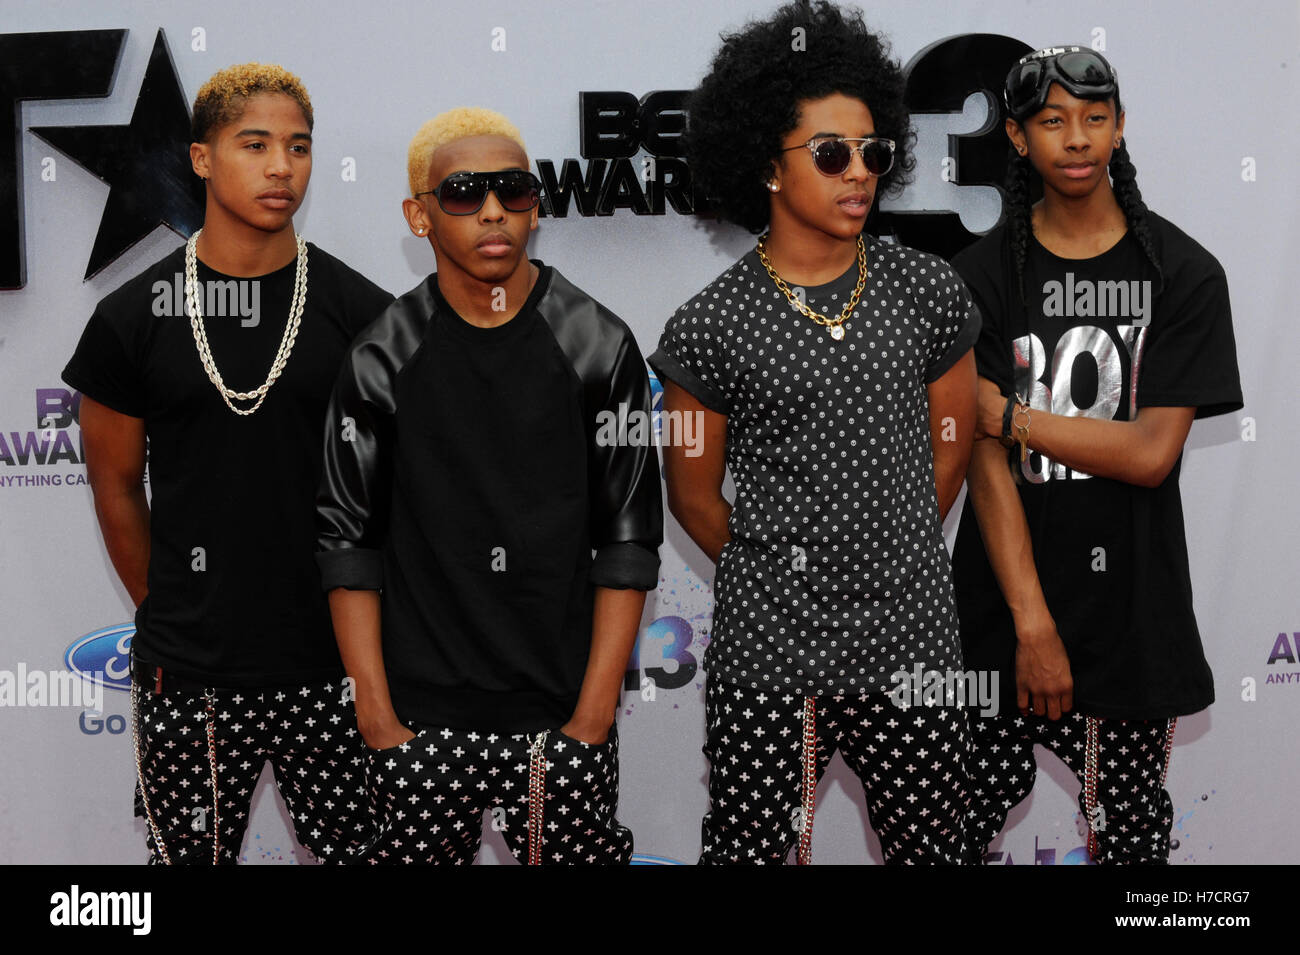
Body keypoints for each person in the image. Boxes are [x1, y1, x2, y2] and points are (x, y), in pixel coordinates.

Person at [649, 1, 979, 864]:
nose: (860, 172)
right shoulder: (709, 325)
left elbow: (955, 443)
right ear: (766, 163)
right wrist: (784, 574)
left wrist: (892, 544)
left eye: (874, 152)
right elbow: (691, 494)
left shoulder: (928, 290)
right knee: (751, 850)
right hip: (770, 659)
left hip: (914, 647)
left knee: (936, 849)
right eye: (832, 154)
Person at [62, 62, 394, 864]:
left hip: (338, 664)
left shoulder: (363, 312)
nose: (282, 166)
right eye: (255, 144)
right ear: (202, 159)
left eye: (299, 146)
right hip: (190, 671)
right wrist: (172, 609)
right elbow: (113, 480)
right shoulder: (131, 317)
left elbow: (404, 483)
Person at [316, 107, 662, 865]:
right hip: (416, 722)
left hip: (562, 719)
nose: (495, 210)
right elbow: (348, 541)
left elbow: (630, 540)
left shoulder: (601, 342)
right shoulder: (380, 354)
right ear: (420, 214)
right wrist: (375, 713)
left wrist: (594, 714)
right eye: (465, 193)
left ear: (537, 207)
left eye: (515, 189)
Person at [950, 46, 1243, 863]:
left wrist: (1009, 415)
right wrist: (1032, 622)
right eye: (1051, 122)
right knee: (954, 829)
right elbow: (980, 465)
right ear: (1016, 137)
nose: (1075, 139)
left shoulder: (1183, 274)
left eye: (1095, 118)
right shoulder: (977, 279)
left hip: (1131, 616)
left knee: (1131, 836)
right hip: (1000, 611)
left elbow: (1151, 453)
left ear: (1119, 128)